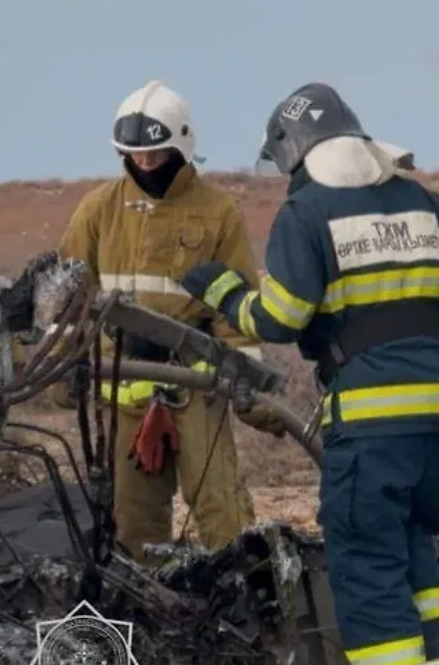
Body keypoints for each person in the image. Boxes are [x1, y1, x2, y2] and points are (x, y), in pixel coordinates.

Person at [179, 82, 439, 665]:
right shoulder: (427, 204)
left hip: (373, 415)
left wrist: (222, 290)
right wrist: (435, 375)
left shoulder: (308, 212)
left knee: (365, 550)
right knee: (409, 537)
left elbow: (280, 316)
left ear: (293, 152)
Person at [57, 80, 285, 558]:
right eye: (135, 156)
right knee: (131, 533)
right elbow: (68, 299)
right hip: (121, 394)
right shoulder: (99, 211)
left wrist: (250, 393)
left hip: (195, 389)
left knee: (226, 520)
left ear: (180, 148)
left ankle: (247, 610)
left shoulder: (216, 212)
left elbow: (235, 307)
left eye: (155, 156)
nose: (144, 165)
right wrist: (64, 367)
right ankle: (150, 622)